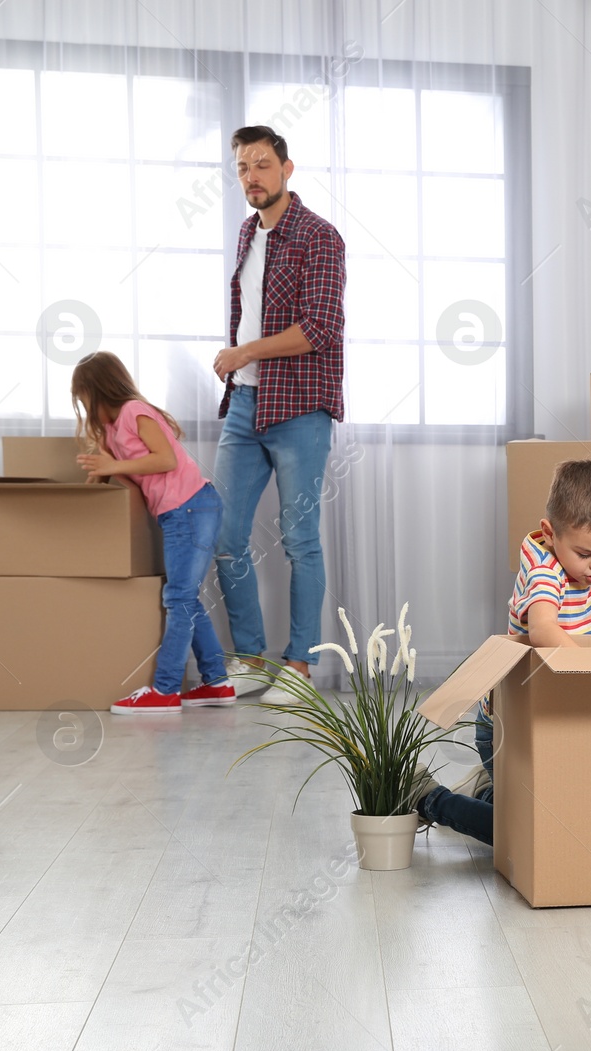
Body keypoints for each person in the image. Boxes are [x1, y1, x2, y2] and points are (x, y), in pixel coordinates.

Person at [407, 460, 591, 844]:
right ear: (550, 534)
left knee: (572, 815)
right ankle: (430, 798)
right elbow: (544, 629)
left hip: (561, 713)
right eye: (585, 554)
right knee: (532, 839)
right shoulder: (546, 571)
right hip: (510, 726)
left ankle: (488, 793)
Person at [210, 125, 347, 706]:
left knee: (299, 541)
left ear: (287, 168)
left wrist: (244, 352)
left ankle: (299, 665)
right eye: (243, 167)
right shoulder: (247, 232)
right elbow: (250, 313)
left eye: (262, 165)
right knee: (224, 535)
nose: (252, 177)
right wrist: (241, 363)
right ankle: (250, 658)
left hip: (298, 409)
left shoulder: (320, 236)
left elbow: (319, 329)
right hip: (244, 404)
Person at [70, 352, 236, 715]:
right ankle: (216, 682)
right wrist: (102, 469)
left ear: (100, 391)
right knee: (186, 599)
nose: (85, 409)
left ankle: (164, 690)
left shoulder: (134, 411)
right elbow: (129, 476)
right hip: (177, 514)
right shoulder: (112, 433)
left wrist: (114, 463)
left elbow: (166, 460)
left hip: (192, 506)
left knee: (178, 599)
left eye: (85, 400)